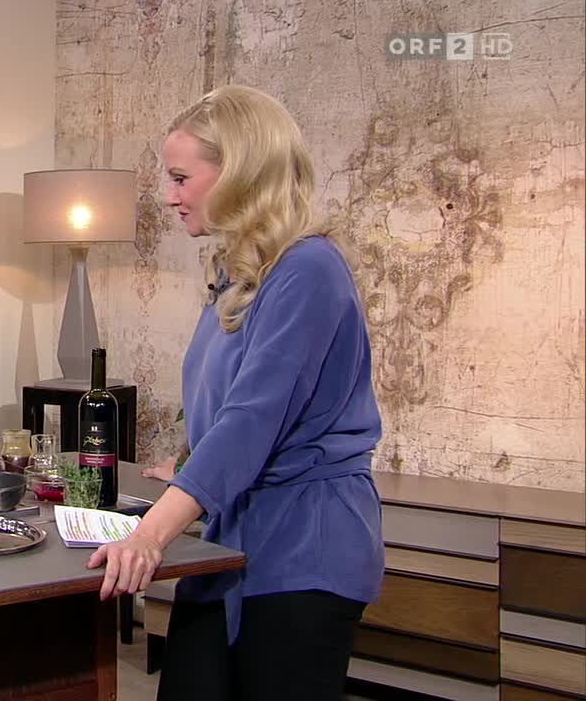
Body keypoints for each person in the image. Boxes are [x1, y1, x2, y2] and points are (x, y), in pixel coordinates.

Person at [87, 86, 384, 700]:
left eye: (180, 178)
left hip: (303, 550)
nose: (168, 195)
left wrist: (148, 536)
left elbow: (252, 419)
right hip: (230, 540)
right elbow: (228, 404)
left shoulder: (308, 270)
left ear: (240, 173)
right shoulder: (237, 274)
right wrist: (191, 466)